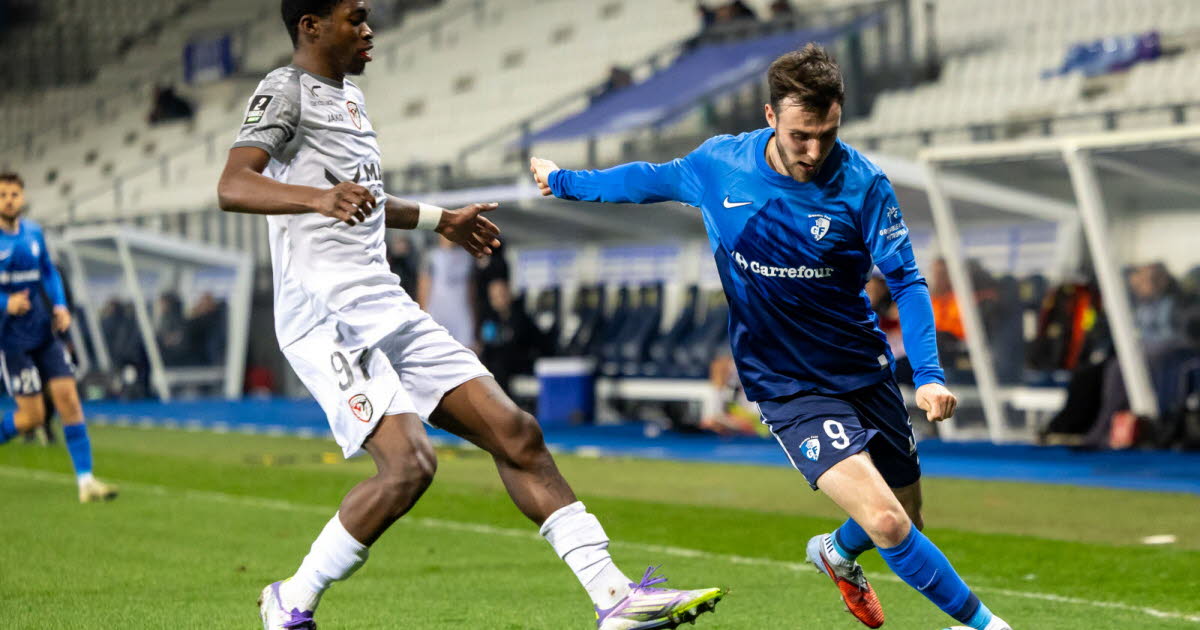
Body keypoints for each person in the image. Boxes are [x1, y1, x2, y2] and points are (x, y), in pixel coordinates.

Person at [215, 2, 724, 629]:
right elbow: (233, 185)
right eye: (355, 17)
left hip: (381, 300)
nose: (369, 29)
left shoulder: (350, 100)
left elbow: (366, 200)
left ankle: (615, 597)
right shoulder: (285, 89)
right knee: (410, 466)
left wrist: (440, 220)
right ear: (311, 25)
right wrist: (317, 198)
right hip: (328, 316)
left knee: (517, 433)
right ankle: (291, 599)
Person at [531, 43, 1011, 630]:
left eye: (827, 135)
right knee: (888, 522)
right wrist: (564, 180)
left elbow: (907, 280)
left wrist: (930, 375)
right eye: (800, 136)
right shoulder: (720, 165)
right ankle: (988, 626)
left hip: (862, 368)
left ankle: (835, 551)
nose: (814, 151)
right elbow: (645, 180)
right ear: (769, 116)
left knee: (906, 511)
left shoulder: (863, 184)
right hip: (786, 383)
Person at [0, 171, 119, 503]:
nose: (9, 200)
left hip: (43, 333)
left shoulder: (33, 232)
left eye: (14, 194)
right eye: (3, 195)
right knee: (32, 417)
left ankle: (86, 481)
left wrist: (61, 305)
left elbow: (48, 273)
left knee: (69, 400)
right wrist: (6, 303)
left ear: (22, 198)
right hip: (12, 341)